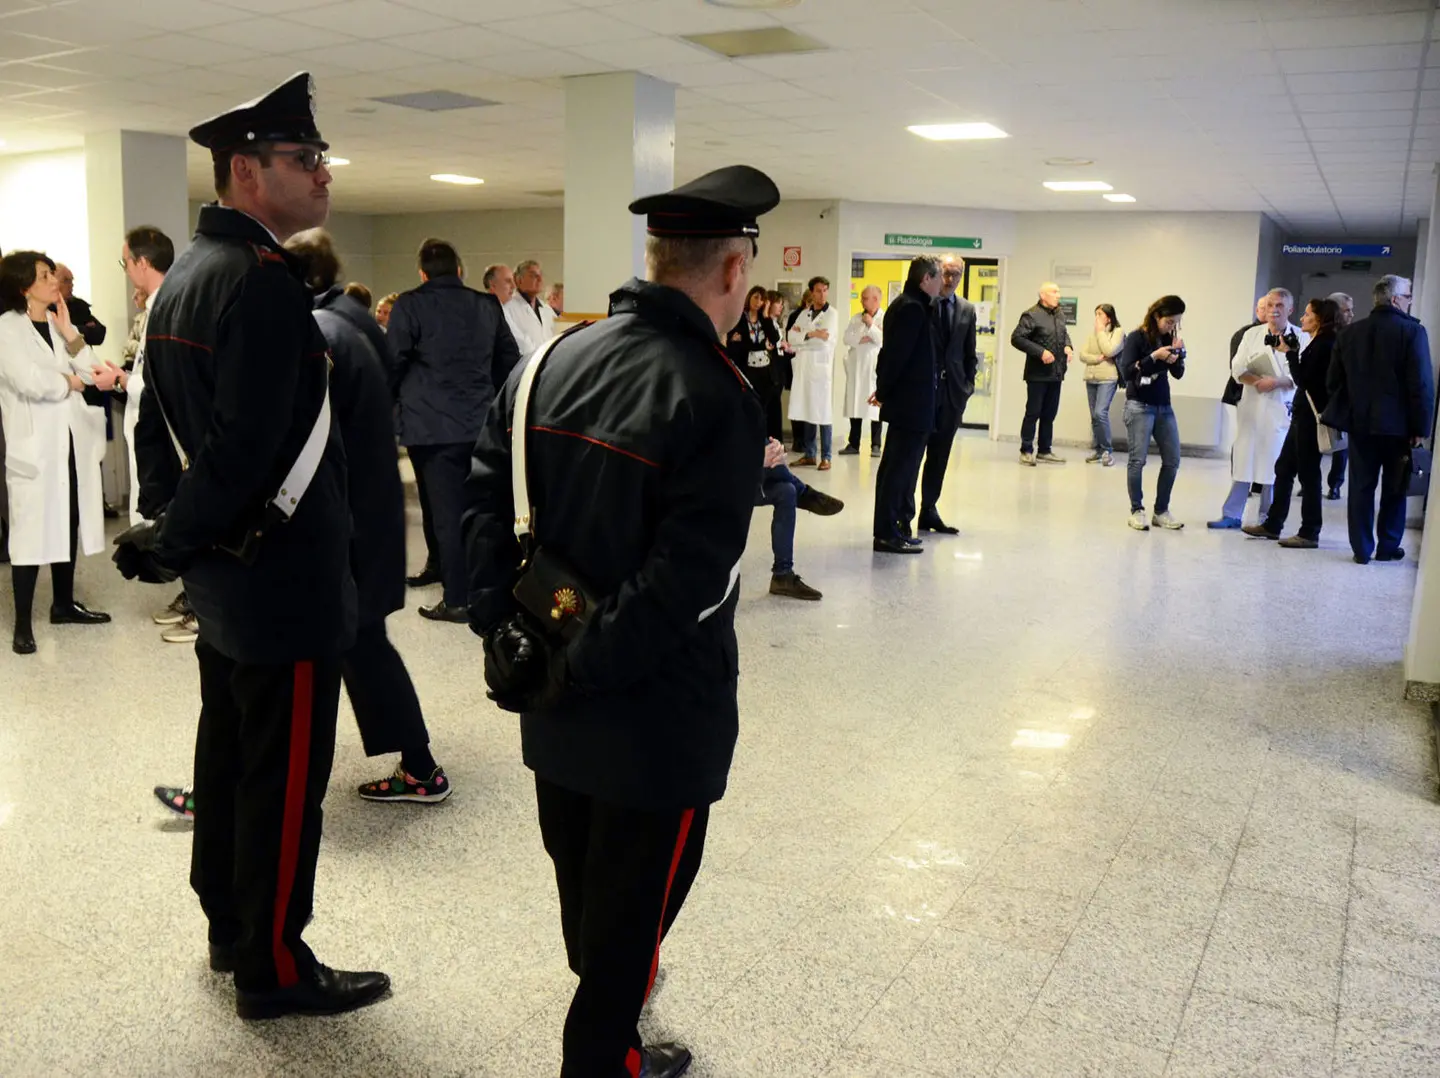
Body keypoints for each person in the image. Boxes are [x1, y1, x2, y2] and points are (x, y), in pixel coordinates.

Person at [462, 164, 778, 1078]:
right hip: (656, 717)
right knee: (638, 904)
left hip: (547, 697)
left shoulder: (547, 361)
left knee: (584, 876)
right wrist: (584, 666)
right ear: (731, 271)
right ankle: (606, 1060)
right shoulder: (718, 396)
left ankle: (611, 1012)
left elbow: (479, 510)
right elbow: (684, 585)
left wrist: (507, 637)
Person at [118, 72, 390, 1019]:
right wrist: (178, 535)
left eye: (321, 158)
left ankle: (229, 925)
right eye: (304, 159)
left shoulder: (189, 273)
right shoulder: (264, 284)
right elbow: (243, 448)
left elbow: (158, 428)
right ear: (246, 172)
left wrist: (169, 533)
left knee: (227, 757)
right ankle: (273, 965)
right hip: (285, 584)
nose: (323, 174)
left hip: (226, 577)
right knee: (279, 784)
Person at [288, 228, 450, 800]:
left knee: (350, 646)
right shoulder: (354, 320)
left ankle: (421, 768)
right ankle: (419, 765)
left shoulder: (324, 334)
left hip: (347, 521)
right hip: (370, 514)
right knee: (358, 645)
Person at [387, 238, 521, 621]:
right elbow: (507, 360)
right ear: (460, 270)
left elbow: (392, 361)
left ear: (422, 272)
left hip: (428, 425)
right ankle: (458, 575)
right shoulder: (485, 304)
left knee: (444, 512)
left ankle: (459, 598)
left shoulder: (410, 304)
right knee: (478, 509)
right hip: (480, 422)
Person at [0, 250, 117, 654]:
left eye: (52, 273)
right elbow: (28, 381)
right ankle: (21, 624)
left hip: (69, 441)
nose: (54, 280)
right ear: (23, 287)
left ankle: (63, 605)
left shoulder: (56, 324)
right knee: (30, 532)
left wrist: (71, 335)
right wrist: (68, 382)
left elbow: (92, 374)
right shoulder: (6, 329)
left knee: (67, 521)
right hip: (34, 447)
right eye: (45, 275)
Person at [1326, 275, 1435, 564]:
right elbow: (1421, 384)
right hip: (1399, 428)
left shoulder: (1350, 333)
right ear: (1396, 299)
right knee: (1395, 487)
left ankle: (1361, 548)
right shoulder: (1413, 332)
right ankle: (1387, 546)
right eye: (1409, 296)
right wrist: (1421, 427)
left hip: (1360, 425)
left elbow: (1333, 381)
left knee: (1361, 486)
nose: (1410, 301)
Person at [1242, 297, 1340, 549]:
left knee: (1308, 475)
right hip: (1300, 416)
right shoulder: (1318, 342)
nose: (1302, 318)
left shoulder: (1325, 344)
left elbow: (1304, 380)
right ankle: (1273, 523)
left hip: (1310, 417)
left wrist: (1291, 355)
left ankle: (1309, 531)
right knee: (1284, 468)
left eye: (1307, 314)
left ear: (1319, 318)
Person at [1210, 288, 1307, 528]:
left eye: (1280, 306)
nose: (1274, 310)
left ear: (1290, 310)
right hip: (1252, 404)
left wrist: (1275, 382)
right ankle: (1232, 514)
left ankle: (1267, 517)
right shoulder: (1252, 334)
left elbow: (1302, 373)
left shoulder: (1301, 336)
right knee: (1245, 457)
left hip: (1280, 405)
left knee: (1273, 462)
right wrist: (1257, 382)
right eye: (1271, 304)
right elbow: (1237, 367)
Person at [871, 255, 942, 554]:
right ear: (926, 278)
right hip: (910, 405)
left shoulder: (910, 306)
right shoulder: (911, 309)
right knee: (898, 471)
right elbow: (896, 358)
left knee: (898, 469)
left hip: (910, 405)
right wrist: (883, 391)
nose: (942, 284)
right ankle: (887, 533)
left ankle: (893, 529)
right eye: (938, 278)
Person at [906, 253, 979, 534]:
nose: (950, 280)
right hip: (925, 393)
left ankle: (929, 510)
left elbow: (969, 353)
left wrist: (966, 387)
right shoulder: (924, 305)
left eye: (956, 274)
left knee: (939, 456)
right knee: (915, 455)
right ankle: (906, 512)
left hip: (952, 396)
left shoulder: (967, 310)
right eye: (946, 273)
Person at [1116, 296, 1187, 531]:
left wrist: (1178, 356)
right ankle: (1137, 510)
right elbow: (1126, 373)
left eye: (1175, 322)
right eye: (1168, 321)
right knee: (1138, 460)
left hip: (1164, 406)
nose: (1171, 326)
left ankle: (1161, 511)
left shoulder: (1170, 338)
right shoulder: (1137, 337)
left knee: (1173, 460)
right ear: (1157, 316)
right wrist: (1154, 356)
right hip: (1139, 405)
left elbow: (1178, 374)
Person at [758, 436, 843, 600]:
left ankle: (782, 575)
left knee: (787, 491)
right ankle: (805, 494)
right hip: (716, 483)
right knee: (787, 484)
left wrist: (774, 449)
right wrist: (757, 458)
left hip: (746, 474)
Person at [1012, 281, 1074, 465]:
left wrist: (1068, 346)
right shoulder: (1031, 315)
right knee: (1033, 412)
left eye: (1058, 292)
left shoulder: (1059, 314)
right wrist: (1040, 352)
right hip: (1037, 374)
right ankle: (1026, 449)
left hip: (1056, 373)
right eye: (1054, 292)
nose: (1058, 295)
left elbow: (1064, 334)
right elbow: (1017, 338)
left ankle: (1045, 450)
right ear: (1043, 296)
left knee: (1050, 413)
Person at [787, 276, 838, 469]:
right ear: (811, 292)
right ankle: (810, 454)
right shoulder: (804, 314)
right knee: (807, 409)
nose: (822, 294)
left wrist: (804, 337)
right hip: (805, 368)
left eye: (825, 290)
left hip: (820, 369)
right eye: (818, 290)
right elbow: (791, 337)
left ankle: (826, 457)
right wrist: (810, 334)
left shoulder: (832, 314)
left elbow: (824, 339)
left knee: (823, 413)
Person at [727, 285, 784, 441]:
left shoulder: (763, 320)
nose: (758, 302)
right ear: (749, 297)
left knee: (766, 410)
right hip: (747, 370)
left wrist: (765, 315)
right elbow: (734, 346)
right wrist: (759, 345)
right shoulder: (740, 318)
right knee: (750, 408)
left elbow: (774, 339)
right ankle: (750, 441)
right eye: (756, 297)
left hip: (765, 371)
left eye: (762, 299)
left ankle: (766, 442)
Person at [840, 285, 884, 455]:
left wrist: (872, 326)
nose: (861, 301)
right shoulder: (856, 318)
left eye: (865, 298)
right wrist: (864, 337)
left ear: (875, 299)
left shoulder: (884, 317)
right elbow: (847, 339)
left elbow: (882, 339)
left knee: (875, 407)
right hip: (857, 366)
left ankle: (876, 445)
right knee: (855, 403)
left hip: (874, 367)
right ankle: (854, 443)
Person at [1080, 303, 1125, 466]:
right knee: (1094, 417)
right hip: (1091, 378)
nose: (1096, 317)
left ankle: (1107, 450)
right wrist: (1097, 359)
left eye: (1100, 314)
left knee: (1100, 413)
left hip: (1108, 378)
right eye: (1095, 314)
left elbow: (1110, 350)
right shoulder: (1092, 334)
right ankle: (1098, 451)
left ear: (1109, 317)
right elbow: (1082, 354)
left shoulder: (1117, 332)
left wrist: (1100, 333)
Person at [1326, 291, 1355, 500]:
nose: (1351, 315)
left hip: (1341, 397)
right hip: (1321, 395)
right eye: (1347, 311)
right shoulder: (1321, 335)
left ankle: (1335, 484)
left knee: (1340, 445)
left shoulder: (1352, 336)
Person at [52, 262, 107, 347]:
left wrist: (70, 330)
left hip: (81, 356)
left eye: (72, 280)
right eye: (66, 280)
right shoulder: (47, 309)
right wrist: (83, 329)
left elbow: (98, 334)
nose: (71, 285)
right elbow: (54, 336)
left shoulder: (79, 306)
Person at [515, 258, 557, 342]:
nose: (540, 279)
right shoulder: (508, 308)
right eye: (533, 275)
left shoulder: (547, 309)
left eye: (540, 275)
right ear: (519, 280)